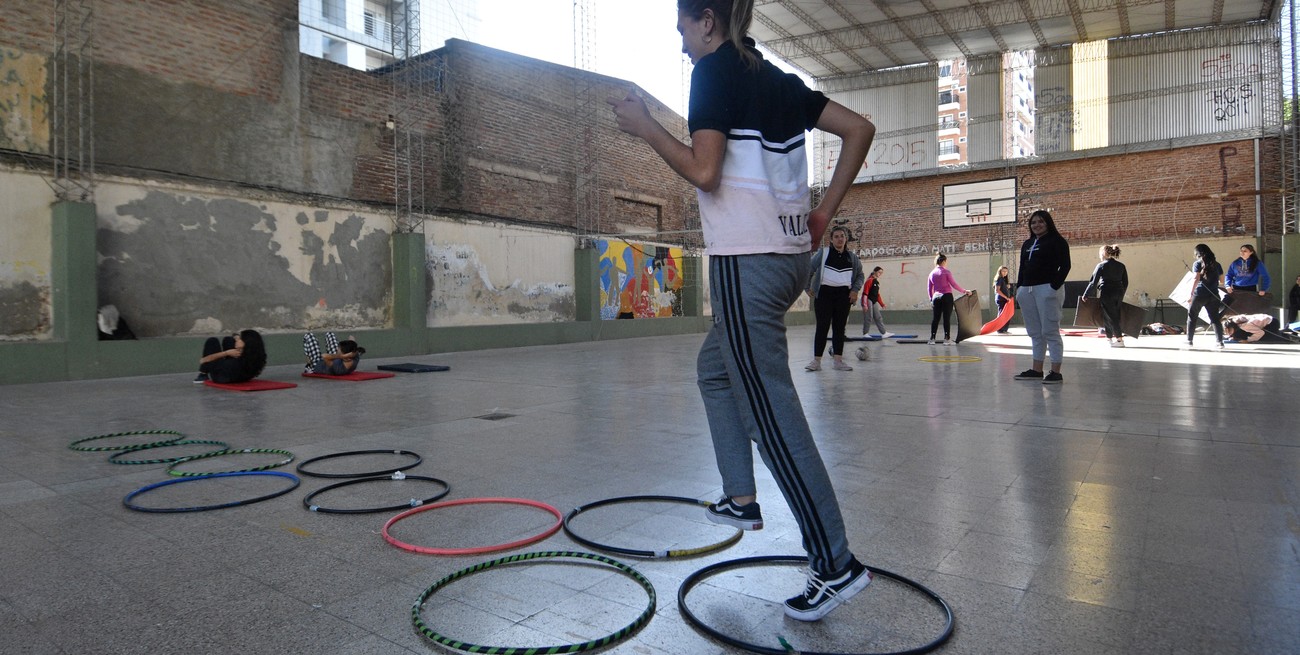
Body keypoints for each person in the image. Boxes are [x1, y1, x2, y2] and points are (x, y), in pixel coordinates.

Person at [607, 0, 874, 622]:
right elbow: (859, 128)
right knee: (714, 369)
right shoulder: (774, 78)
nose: (681, 46)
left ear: (707, 21)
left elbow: (705, 170)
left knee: (773, 416)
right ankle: (740, 496)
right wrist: (824, 211)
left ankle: (835, 563)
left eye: (682, 31)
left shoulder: (714, 72)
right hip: (788, 262)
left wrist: (645, 126)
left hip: (745, 263)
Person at [1013, 210, 1071, 383]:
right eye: (1033, 223)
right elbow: (1022, 267)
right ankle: (1036, 370)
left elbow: (1065, 266)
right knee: (1035, 332)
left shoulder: (1057, 241)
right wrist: (1020, 288)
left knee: (1050, 331)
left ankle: (1055, 372)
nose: (1036, 225)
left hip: (1047, 289)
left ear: (1048, 223)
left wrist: (1053, 286)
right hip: (1027, 290)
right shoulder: (1027, 243)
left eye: (1041, 222)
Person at [806, 225, 864, 372]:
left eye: (842, 236)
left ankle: (838, 361)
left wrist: (855, 290)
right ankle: (816, 361)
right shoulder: (823, 254)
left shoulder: (852, 258)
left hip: (843, 297)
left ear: (846, 239)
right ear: (831, 240)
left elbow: (860, 276)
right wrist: (807, 287)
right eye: (836, 236)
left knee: (839, 328)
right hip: (824, 295)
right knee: (822, 328)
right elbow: (809, 269)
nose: (839, 239)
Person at [1082, 244, 1129, 347]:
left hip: (1107, 292)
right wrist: (1121, 293)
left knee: (1111, 316)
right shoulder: (1121, 265)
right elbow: (1125, 282)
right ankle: (1109, 339)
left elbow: (1093, 282)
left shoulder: (1101, 265)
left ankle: (1119, 340)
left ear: (1103, 253)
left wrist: (1086, 294)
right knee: (1109, 315)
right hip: (1119, 292)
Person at [1184, 243, 1225, 350]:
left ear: (1198, 253)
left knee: (1192, 317)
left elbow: (1195, 279)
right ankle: (1220, 342)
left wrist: (1191, 294)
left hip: (1199, 294)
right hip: (1214, 295)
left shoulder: (1197, 264)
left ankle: (1189, 341)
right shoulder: (1217, 264)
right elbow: (1222, 281)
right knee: (1215, 318)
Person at [195, 329, 267, 384]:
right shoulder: (253, 356)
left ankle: (203, 374)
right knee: (228, 339)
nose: (237, 340)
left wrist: (226, 353)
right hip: (242, 376)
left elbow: (204, 360)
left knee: (212, 341)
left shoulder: (232, 365)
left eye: (240, 339)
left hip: (222, 376)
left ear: (246, 343)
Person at [926, 253, 968, 345]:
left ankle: (932, 339)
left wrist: (931, 299)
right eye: (946, 261)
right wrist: (964, 291)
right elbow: (953, 284)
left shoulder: (931, 273)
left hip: (936, 298)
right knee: (946, 318)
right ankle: (946, 339)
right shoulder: (946, 272)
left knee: (935, 319)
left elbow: (929, 288)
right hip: (946, 296)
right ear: (944, 261)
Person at [861, 266, 894, 338]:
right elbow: (865, 293)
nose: (880, 274)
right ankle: (865, 333)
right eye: (879, 272)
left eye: (881, 273)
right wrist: (865, 305)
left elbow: (877, 294)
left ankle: (884, 333)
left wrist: (882, 304)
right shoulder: (869, 280)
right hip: (867, 300)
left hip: (874, 300)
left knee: (878, 317)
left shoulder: (877, 282)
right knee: (869, 317)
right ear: (875, 271)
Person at [992, 266, 1013, 334]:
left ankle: (1003, 329)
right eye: (1003, 271)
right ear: (1000, 271)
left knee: (1005, 314)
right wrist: (1006, 297)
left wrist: (1007, 286)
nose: (1005, 273)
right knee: (1002, 314)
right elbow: (997, 290)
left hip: (1003, 299)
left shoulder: (1003, 279)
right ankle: (1000, 329)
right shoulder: (1000, 279)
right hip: (1001, 299)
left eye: (1006, 271)